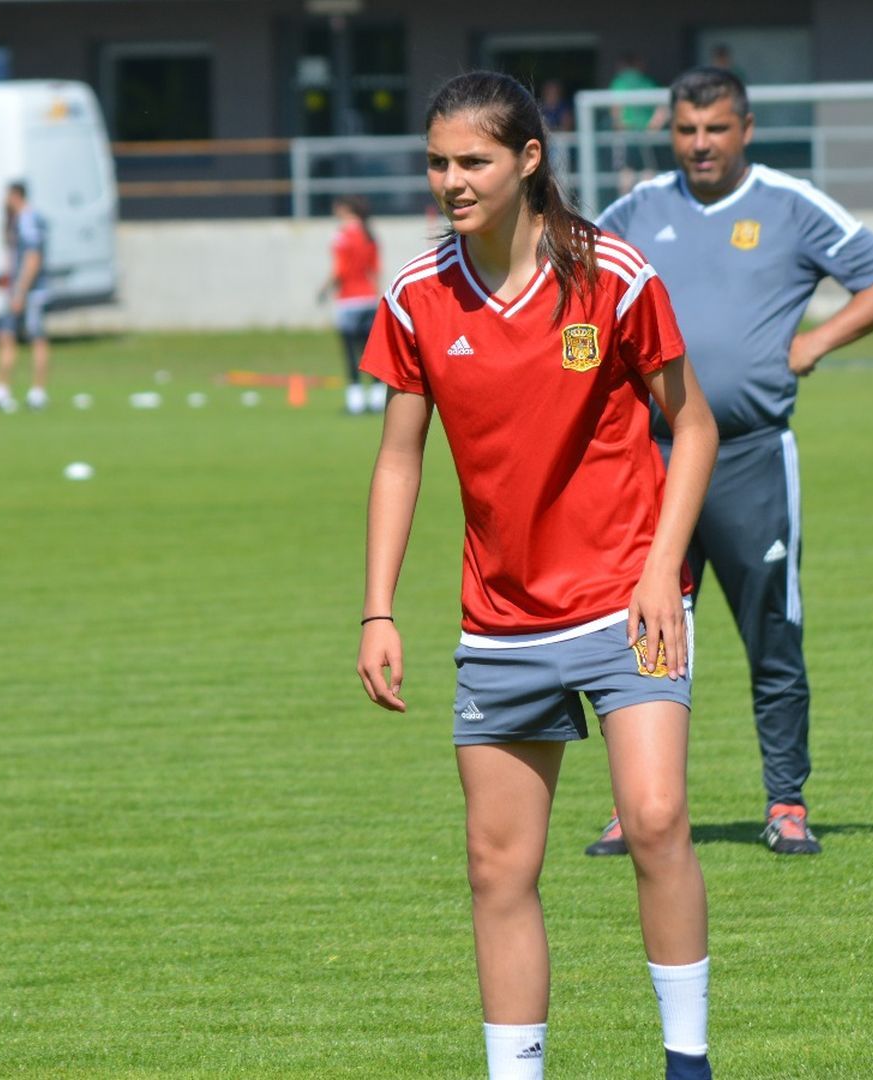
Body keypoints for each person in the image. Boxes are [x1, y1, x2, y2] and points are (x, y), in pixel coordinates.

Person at [357, 71, 720, 1080]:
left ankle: (686, 1065)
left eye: (472, 160)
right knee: (497, 870)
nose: (451, 180)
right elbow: (400, 457)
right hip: (501, 623)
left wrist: (661, 570)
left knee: (654, 820)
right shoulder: (416, 296)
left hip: (625, 599)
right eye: (436, 162)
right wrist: (378, 610)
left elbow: (694, 429)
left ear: (528, 161)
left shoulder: (612, 273)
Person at [587, 66, 873, 857]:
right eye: (686, 130)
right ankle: (641, 806)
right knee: (647, 636)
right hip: (653, 459)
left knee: (772, 631)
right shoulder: (633, 211)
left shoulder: (788, 203)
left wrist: (813, 343)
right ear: (670, 132)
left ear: (745, 128)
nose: (700, 144)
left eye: (716, 129)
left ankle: (786, 801)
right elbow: (578, 298)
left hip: (749, 458)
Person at [0, 181, 50, 411]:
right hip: (19, 289)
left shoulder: (28, 220)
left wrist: (20, 291)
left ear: (16, 196)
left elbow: (33, 258)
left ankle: (37, 392)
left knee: (36, 338)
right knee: (4, 334)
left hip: (30, 291)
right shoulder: (19, 220)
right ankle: (2, 388)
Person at [319, 195, 386, 415]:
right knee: (371, 351)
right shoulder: (369, 235)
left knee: (350, 352)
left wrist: (323, 288)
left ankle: (355, 401)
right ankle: (377, 399)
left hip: (348, 300)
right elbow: (375, 270)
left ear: (346, 210)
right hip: (368, 299)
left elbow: (339, 269)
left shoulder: (342, 236)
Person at [607, 53, 667, 194]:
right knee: (647, 170)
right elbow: (663, 107)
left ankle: (625, 205)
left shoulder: (619, 82)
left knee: (626, 171)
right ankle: (647, 204)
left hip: (627, 132)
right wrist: (654, 126)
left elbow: (615, 108)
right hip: (646, 134)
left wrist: (618, 125)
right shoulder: (647, 81)